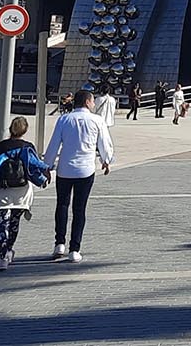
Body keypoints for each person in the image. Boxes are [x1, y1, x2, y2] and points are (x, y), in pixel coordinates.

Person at [42, 89, 114, 264]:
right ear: (88, 102)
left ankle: (59, 243)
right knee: (79, 209)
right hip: (85, 169)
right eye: (92, 101)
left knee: (62, 205)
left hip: (65, 169)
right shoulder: (97, 120)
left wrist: (47, 165)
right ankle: (75, 248)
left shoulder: (64, 119)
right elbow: (104, 142)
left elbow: (54, 145)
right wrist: (106, 159)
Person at [0, 116, 51, 271]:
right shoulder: (27, 147)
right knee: (14, 223)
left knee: (2, 223)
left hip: (0, 191)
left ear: (10, 129)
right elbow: (34, 167)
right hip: (21, 192)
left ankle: (3, 256)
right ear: (25, 130)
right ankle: (9, 249)